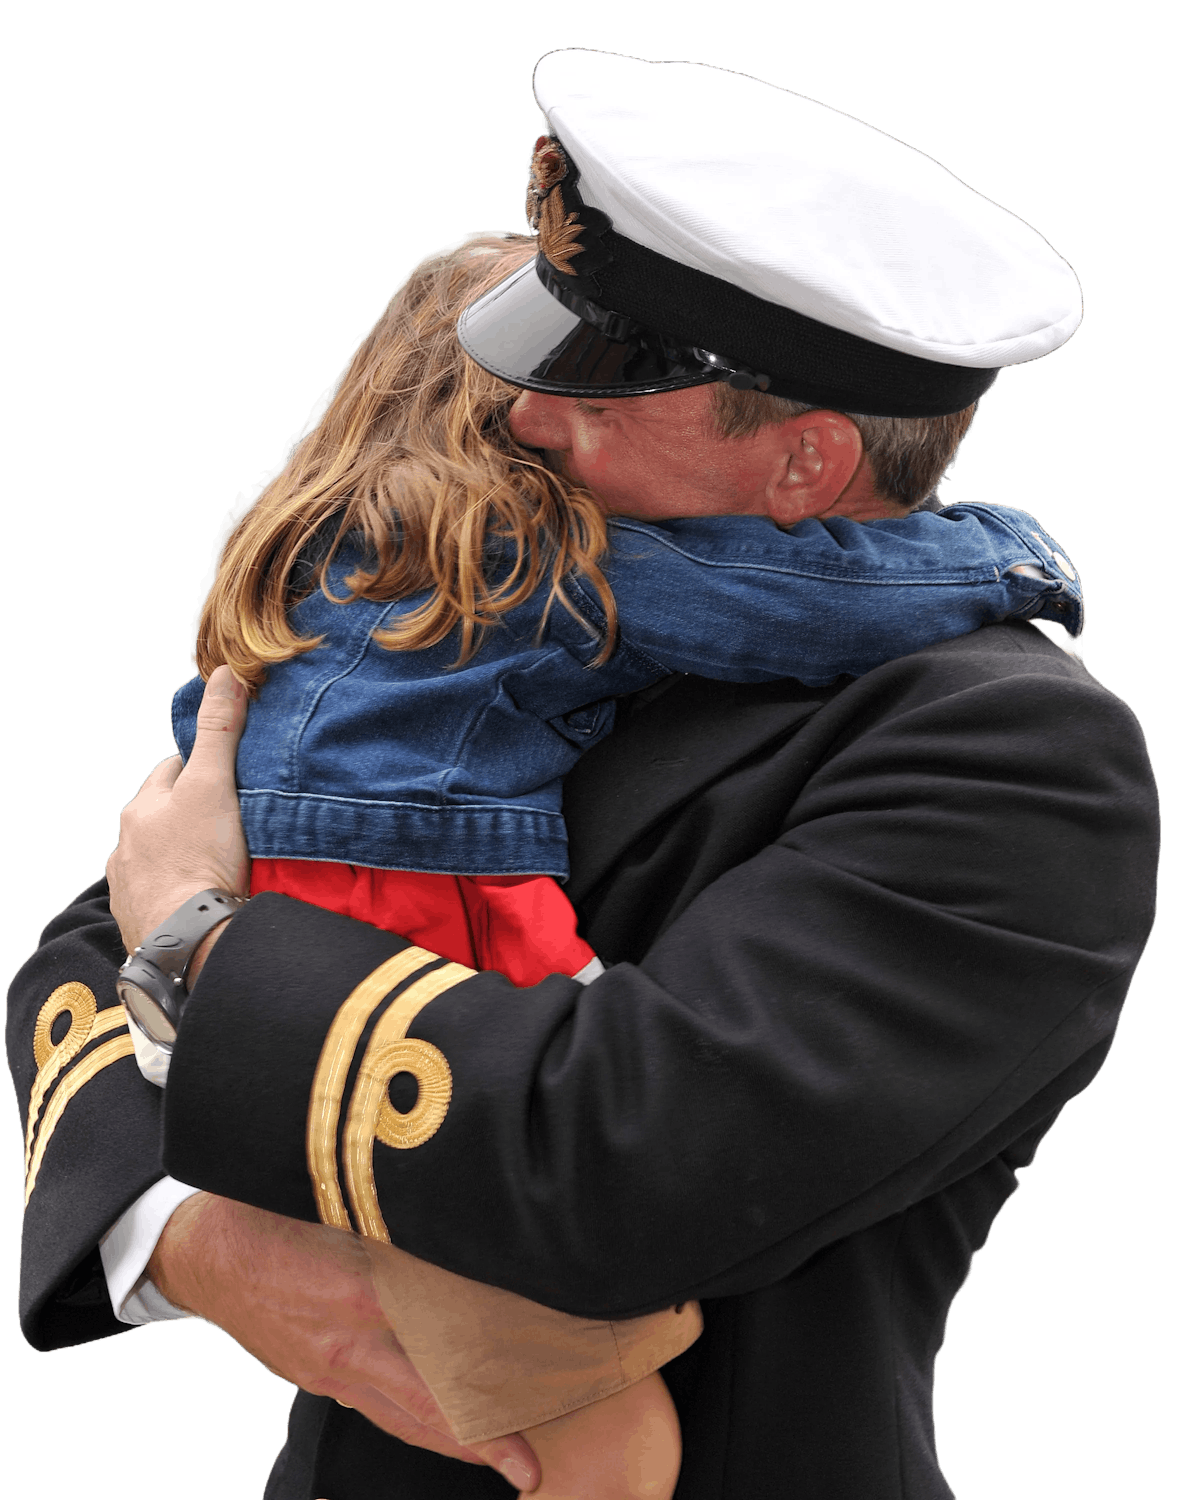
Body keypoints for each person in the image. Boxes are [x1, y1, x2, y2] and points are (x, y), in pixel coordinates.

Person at [8, 51, 1157, 1500]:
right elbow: (83, 950)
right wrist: (188, 1241)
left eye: (603, 386)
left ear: (805, 463)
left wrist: (199, 949)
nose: (529, 417)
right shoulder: (516, 599)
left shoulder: (1009, 753)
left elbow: (628, 1165)